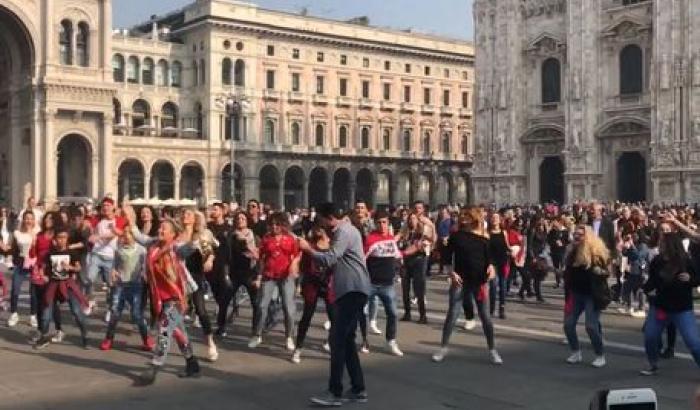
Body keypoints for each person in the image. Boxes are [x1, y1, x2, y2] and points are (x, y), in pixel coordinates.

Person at [299, 202, 371, 407]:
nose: (318, 225)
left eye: (320, 220)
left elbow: (330, 258)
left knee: (337, 340)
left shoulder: (344, 232)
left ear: (329, 217)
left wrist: (308, 249)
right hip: (351, 290)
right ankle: (358, 388)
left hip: (352, 290)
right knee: (346, 340)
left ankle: (335, 391)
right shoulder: (344, 230)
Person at [123, 205, 201, 385]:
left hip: (175, 298)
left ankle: (154, 367)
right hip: (160, 297)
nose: (160, 230)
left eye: (164, 229)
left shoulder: (176, 248)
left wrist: (195, 239)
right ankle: (192, 363)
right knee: (179, 333)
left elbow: (188, 249)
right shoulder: (154, 245)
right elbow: (140, 237)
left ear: (173, 234)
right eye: (160, 227)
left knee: (164, 330)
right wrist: (132, 220)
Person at [432, 207, 502, 365]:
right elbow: (446, 256)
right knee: (452, 314)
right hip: (461, 280)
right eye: (462, 216)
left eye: (467, 216)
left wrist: (491, 267)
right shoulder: (456, 236)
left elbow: (490, 258)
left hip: (481, 281)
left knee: (485, 317)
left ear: (474, 218)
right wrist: (451, 272)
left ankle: (492, 350)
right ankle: (443, 348)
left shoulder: (484, 237)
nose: (462, 218)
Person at [640, 220, 700, 375]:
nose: (660, 246)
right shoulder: (657, 261)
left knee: (693, 342)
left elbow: (697, 279)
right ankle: (652, 364)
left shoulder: (685, 261)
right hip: (661, 306)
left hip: (682, 308)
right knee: (650, 337)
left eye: (663, 244)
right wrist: (644, 288)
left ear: (671, 245)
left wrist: (690, 279)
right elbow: (652, 281)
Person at [248, 212, 299, 351]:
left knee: (288, 307)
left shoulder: (291, 238)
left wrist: (294, 264)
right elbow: (261, 256)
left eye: (277, 224)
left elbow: (297, 253)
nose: (274, 227)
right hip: (269, 275)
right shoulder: (266, 238)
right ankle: (257, 334)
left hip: (286, 275)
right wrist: (255, 254)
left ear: (283, 224)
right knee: (262, 305)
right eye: (272, 224)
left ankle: (289, 336)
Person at [563, 225, 611, 368]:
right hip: (576, 293)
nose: (577, 237)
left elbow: (607, 272)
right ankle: (576, 351)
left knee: (591, 326)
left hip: (592, 294)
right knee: (568, 324)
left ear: (587, 237)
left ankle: (600, 354)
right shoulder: (571, 251)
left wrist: (599, 271)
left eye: (580, 235)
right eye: (575, 234)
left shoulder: (595, 253)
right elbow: (568, 272)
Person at [34, 226, 88, 349]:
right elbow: (42, 268)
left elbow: (78, 267)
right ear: (55, 239)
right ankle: (43, 337)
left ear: (67, 239)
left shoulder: (72, 253)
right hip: (53, 284)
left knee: (77, 312)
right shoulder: (49, 254)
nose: (61, 240)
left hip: (67, 284)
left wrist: (71, 268)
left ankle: (84, 334)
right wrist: (43, 276)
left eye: (64, 237)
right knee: (46, 314)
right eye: (59, 237)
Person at [99, 229, 153, 352]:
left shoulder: (141, 250)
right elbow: (115, 266)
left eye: (129, 234)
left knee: (136, 314)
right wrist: (113, 273)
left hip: (136, 285)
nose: (126, 237)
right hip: (120, 285)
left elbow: (145, 266)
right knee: (115, 313)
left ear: (134, 236)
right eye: (124, 235)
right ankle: (108, 339)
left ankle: (146, 339)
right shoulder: (119, 250)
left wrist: (145, 275)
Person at [291, 225, 334, 364]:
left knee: (334, 317)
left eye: (321, 227)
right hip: (311, 283)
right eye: (316, 226)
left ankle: (333, 345)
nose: (318, 230)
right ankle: (298, 348)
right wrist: (298, 284)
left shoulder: (334, 244)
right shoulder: (309, 245)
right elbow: (302, 267)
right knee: (307, 316)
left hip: (329, 283)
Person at [180, 208, 218, 361]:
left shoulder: (200, 235)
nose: (184, 216)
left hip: (195, 276)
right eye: (183, 214)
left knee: (201, 310)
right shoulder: (178, 235)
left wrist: (209, 260)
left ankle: (210, 342)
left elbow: (209, 252)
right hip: (179, 276)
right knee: (172, 313)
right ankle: (163, 347)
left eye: (188, 214)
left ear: (194, 219)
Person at [364, 210, 403, 356]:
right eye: (379, 222)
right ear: (375, 224)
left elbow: (398, 256)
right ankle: (363, 339)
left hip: (387, 284)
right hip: (370, 283)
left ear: (388, 224)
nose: (382, 225)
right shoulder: (370, 239)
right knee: (360, 313)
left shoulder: (392, 239)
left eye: (384, 222)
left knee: (392, 314)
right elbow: (363, 259)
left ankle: (391, 341)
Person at [218, 210, 259, 336]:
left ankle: (256, 330)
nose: (240, 220)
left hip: (250, 272)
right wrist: (225, 274)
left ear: (247, 221)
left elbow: (259, 256)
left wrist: (259, 276)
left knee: (256, 303)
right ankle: (221, 327)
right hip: (234, 273)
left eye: (243, 218)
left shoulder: (254, 237)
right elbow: (225, 257)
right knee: (224, 301)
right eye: (238, 218)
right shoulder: (230, 236)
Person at [84, 198, 125, 319]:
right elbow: (88, 230)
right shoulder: (97, 220)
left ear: (113, 207)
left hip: (111, 257)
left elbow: (116, 234)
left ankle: (110, 309)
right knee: (89, 279)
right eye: (104, 205)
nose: (105, 207)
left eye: (108, 205)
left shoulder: (119, 220)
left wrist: (99, 236)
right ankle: (90, 301)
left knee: (111, 285)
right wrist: (90, 234)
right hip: (97, 254)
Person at [397, 212, 429, 324]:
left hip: (418, 261)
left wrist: (402, 253)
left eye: (414, 219)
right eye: (410, 219)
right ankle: (407, 313)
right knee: (405, 289)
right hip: (406, 263)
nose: (411, 221)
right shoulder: (405, 232)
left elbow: (417, 246)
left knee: (419, 289)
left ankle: (423, 315)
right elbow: (396, 240)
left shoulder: (422, 233)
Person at [7, 211, 38, 327]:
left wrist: (33, 236)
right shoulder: (17, 233)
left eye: (31, 218)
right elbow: (12, 249)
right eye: (27, 218)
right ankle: (14, 314)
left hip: (33, 265)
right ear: (23, 220)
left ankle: (33, 316)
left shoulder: (37, 233)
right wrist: (11, 259)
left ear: (34, 220)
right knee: (15, 289)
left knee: (33, 292)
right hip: (20, 264)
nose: (28, 221)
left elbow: (38, 250)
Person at [488, 212, 510, 319]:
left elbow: (507, 246)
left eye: (496, 217)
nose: (494, 219)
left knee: (503, 285)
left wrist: (513, 251)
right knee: (493, 285)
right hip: (491, 261)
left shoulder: (504, 232)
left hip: (503, 260)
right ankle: (492, 308)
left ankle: (502, 308)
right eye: (493, 217)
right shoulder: (487, 233)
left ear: (500, 220)